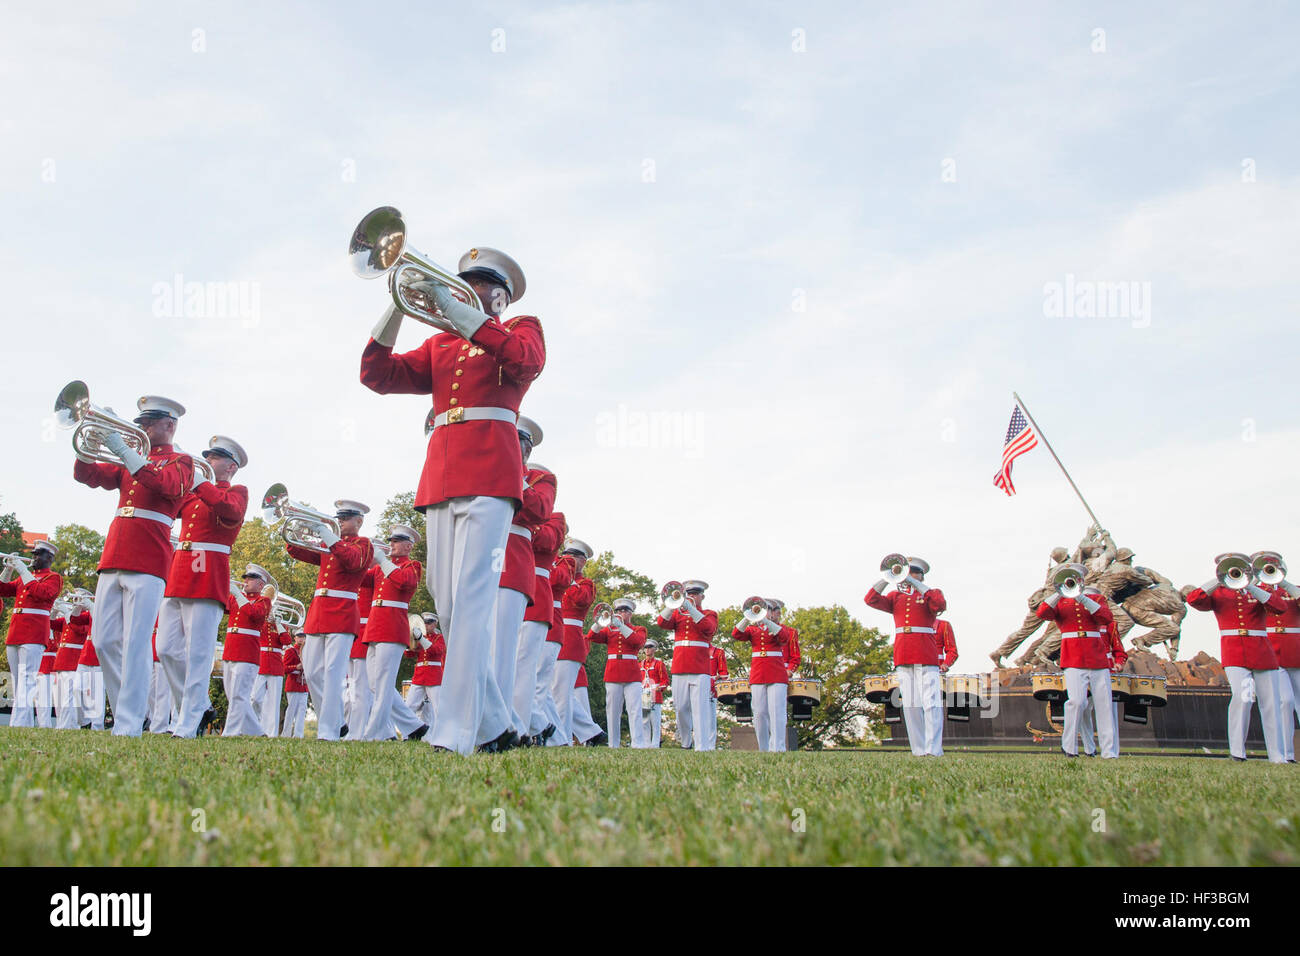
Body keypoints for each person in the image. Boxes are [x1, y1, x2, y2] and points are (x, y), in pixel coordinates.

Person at [360, 246, 545, 755]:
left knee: (470, 602)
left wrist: (455, 307)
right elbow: (377, 376)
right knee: (447, 600)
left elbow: (524, 361)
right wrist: (397, 305)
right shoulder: (441, 343)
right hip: (440, 477)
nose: (465, 290)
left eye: (479, 284)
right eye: (461, 282)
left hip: (491, 472)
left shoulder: (521, 328)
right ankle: (494, 724)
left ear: (500, 296)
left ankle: (454, 732)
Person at [72, 395, 195, 737]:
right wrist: (90, 441)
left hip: (149, 557)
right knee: (103, 641)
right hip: (115, 553)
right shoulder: (133, 458)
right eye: (139, 422)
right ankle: (130, 711)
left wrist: (124, 450)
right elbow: (88, 475)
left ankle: (126, 723)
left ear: (168, 426)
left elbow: (166, 487)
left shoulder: (181, 462)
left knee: (137, 642)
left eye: (146, 423)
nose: (138, 428)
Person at [156, 435, 249, 738]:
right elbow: (167, 496)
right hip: (180, 571)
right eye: (206, 456)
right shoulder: (194, 492)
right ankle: (201, 704)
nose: (207, 460)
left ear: (231, 466)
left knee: (197, 654)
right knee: (166, 649)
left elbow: (229, 511)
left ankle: (187, 722)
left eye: (215, 457)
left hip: (208, 574)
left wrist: (198, 482)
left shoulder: (236, 491)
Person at [286, 500, 374, 742]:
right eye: (339, 517)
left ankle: (328, 731)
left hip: (343, 612)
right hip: (319, 613)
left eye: (345, 518)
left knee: (334, 674)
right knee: (313, 673)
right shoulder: (330, 543)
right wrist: (295, 527)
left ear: (359, 521)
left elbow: (352, 561)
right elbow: (296, 550)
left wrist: (326, 532)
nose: (340, 521)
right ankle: (336, 721)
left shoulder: (363, 545)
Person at [493, 417, 554, 742]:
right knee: (478, 647)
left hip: (510, 562)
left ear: (527, 448)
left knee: (508, 656)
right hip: (478, 553)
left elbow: (539, 510)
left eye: (515, 442)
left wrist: (512, 469)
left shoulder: (540, 478)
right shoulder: (484, 465)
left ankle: (504, 725)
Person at [865, 557, 947, 756]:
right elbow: (871, 599)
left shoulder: (930, 594)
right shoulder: (895, 596)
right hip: (903, 652)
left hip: (925, 652)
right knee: (911, 704)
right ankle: (918, 750)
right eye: (906, 572)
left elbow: (940, 604)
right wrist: (886, 577)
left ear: (920, 575)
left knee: (931, 703)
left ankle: (933, 749)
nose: (907, 576)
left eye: (913, 573)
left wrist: (917, 584)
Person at [1037, 569, 1121, 758]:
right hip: (1073, 656)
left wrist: (1082, 597)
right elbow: (1042, 613)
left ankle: (1109, 752)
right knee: (1076, 701)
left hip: (1097, 656)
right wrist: (1058, 592)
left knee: (1104, 704)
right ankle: (1069, 747)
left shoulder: (1096, 600)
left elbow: (1106, 618)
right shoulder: (1061, 601)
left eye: (1075, 579)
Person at [361, 525, 429, 742]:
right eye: (390, 541)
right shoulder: (382, 567)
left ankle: (375, 733)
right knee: (375, 684)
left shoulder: (412, 565)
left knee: (381, 684)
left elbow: (404, 582)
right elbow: (360, 580)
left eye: (396, 541)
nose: (391, 544)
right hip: (375, 626)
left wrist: (382, 560)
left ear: (408, 545)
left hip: (392, 626)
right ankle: (416, 727)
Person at [516, 489, 563, 747]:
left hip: (537, 598)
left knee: (525, 668)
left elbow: (546, 541)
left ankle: (525, 727)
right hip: (514, 586)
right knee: (511, 666)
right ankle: (537, 724)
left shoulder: (555, 519)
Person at [1, 540, 63, 728]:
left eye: (38, 554)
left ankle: (17, 723)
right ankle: (24, 722)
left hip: (34, 633)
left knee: (27, 680)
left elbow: (40, 593)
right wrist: (9, 570)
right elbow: (3, 589)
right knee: (19, 681)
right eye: (34, 553)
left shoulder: (53, 577)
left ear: (49, 558)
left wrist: (22, 571)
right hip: (16, 631)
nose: (34, 557)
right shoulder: (25, 577)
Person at [656, 580, 718, 751]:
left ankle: (702, 746)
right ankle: (685, 743)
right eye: (688, 594)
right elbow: (661, 622)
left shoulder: (709, 613)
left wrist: (691, 608)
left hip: (700, 668)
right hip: (680, 667)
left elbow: (709, 628)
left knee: (700, 709)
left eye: (695, 594)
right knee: (681, 708)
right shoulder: (677, 614)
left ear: (702, 596)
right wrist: (672, 604)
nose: (691, 597)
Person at [990, 547, 1068, 668]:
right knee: (1051, 634)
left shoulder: (1054, 569)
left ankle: (1003, 653)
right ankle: (1031, 657)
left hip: (1041, 601)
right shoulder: (1065, 566)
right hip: (1050, 603)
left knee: (1028, 631)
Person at [1254, 552, 1299, 762]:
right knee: (1285, 702)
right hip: (1272, 653)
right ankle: (1287, 753)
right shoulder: (1256, 591)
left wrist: (1283, 581)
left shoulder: (1293, 590)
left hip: (1296, 651)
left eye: (1272, 566)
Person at [732, 599, 793, 752]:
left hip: (777, 674)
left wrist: (766, 620)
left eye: (771, 610)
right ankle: (763, 748)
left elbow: (784, 638)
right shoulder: (753, 630)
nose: (768, 612)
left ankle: (778, 747)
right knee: (759, 713)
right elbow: (736, 633)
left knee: (777, 712)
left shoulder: (779, 628)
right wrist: (748, 616)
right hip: (758, 674)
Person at [552, 539, 596, 747]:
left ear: (583, 561)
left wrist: (567, 576)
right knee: (554, 691)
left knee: (561, 693)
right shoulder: (559, 576)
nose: (567, 560)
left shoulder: (585, 583)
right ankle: (591, 731)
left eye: (573, 557)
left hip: (570, 639)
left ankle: (563, 738)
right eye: (566, 555)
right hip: (552, 632)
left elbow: (581, 599)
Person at [222, 566, 272, 737]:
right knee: (233, 695)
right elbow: (222, 605)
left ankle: (231, 732)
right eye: (245, 578)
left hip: (247, 652)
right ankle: (257, 732)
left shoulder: (264, 601)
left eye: (250, 579)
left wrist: (237, 594)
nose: (245, 581)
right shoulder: (237, 598)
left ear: (260, 584)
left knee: (239, 695)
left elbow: (254, 614)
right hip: (230, 648)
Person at [590, 596, 646, 747]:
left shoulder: (638, 629)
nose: (621, 613)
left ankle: (638, 743)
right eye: (618, 611)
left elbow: (638, 642)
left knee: (634, 710)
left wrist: (620, 625)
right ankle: (613, 743)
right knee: (613, 711)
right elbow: (591, 636)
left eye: (625, 611)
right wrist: (599, 621)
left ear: (630, 614)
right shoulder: (609, 631)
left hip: (631, 673)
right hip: (613, 672)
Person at [344, 561, 378, 738]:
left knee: (361, 690)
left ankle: (357, 733)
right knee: (350, 691)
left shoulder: (375, 575)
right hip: (351, 634)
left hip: (364, 634)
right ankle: (352, 729)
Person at [52, 591, 93, 729]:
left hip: (73, 660)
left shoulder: (88, 619)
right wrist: (54, 610)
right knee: (60, 697)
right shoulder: (68, 618)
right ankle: (62, 723)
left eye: (78, 599)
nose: (75, 601)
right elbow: (51, 623)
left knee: (69, 697)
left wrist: (67, 612)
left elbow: (77, 629)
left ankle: (70, 725)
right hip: (62, 659)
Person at [251, 617, 293, 738]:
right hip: (261, 662)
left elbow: (287, 641)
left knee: (274, 701)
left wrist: (278, 624)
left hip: (276, 664)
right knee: (255, 698)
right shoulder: (260, 623)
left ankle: (271, 733)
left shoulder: (282, 626)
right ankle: (255, 728)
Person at [405, 612, 444, 729]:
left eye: (429, 622)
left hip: (433, 676)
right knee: (410, 705)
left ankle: (441, 732)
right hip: (420, 675)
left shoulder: (440, 637)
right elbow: (409, 654)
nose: (426, 625)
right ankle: (409, 731)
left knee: (438, 707)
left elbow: (436, 651)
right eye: (425, 623)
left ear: (435, 624)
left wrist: (421, 638)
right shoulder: (422, 637)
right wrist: (409, 641)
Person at [639, 640, 669, 748]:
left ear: (654, 649)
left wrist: (658, 688)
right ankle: (646, 744)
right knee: (644, 721)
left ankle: (655, 744)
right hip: (643, 695)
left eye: (650, 647)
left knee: (655, 722)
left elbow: (665, 681)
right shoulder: (640, 664)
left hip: (655, 696)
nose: (647, 649)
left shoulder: (659, 664)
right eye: (646, 647)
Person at [281, 633, 309, 739]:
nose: (301, 639)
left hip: (304, 684)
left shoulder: (307, 652)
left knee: (302, 710)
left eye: (303, 637)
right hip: (293, 682)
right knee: (291, 710)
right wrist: (295, 667)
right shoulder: (290, 651)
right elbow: (284, 668)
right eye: (299, 637)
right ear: (295, 638)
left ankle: (298, 734)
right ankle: (286, 734)